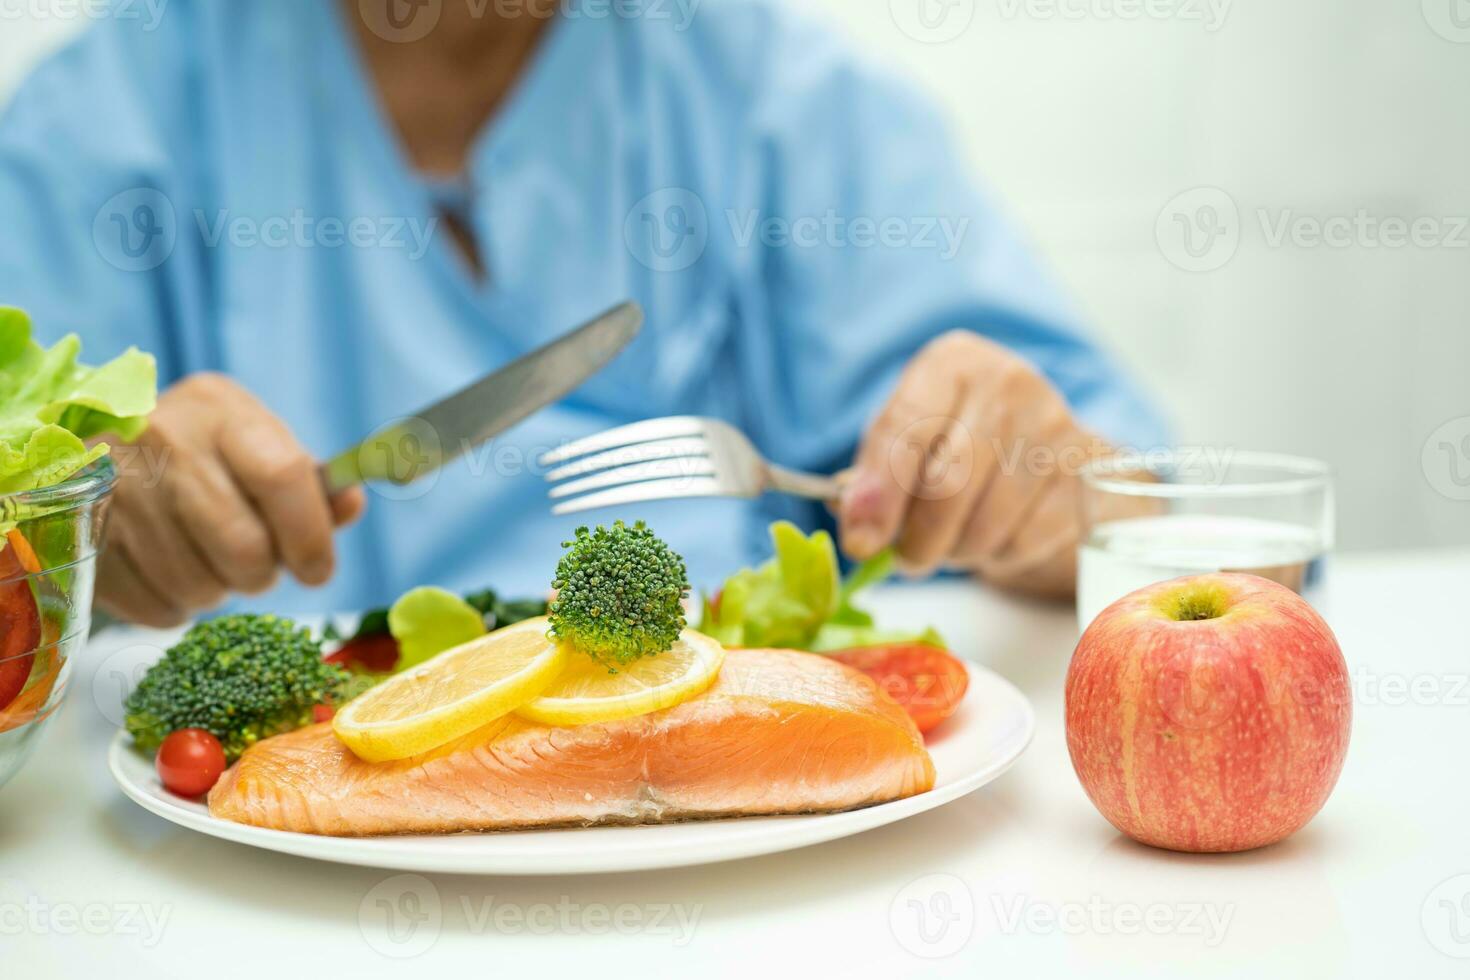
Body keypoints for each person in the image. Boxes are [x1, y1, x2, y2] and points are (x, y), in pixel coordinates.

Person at [0, 0, 1166, 626]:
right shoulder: (105, 119)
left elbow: (1184, 534)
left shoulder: (775, 96)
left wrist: (1050, 493)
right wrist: (73, 528)